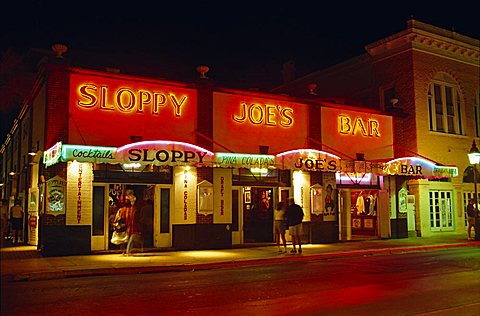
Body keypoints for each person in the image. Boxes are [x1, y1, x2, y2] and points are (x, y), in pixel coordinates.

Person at [122, 189, 142, 256]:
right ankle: (127, 251)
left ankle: (127, 251)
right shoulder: (130, 208)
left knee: (130, 239)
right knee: (129, 239)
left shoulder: (133, 208)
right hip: (130, 225)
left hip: (132, 225)